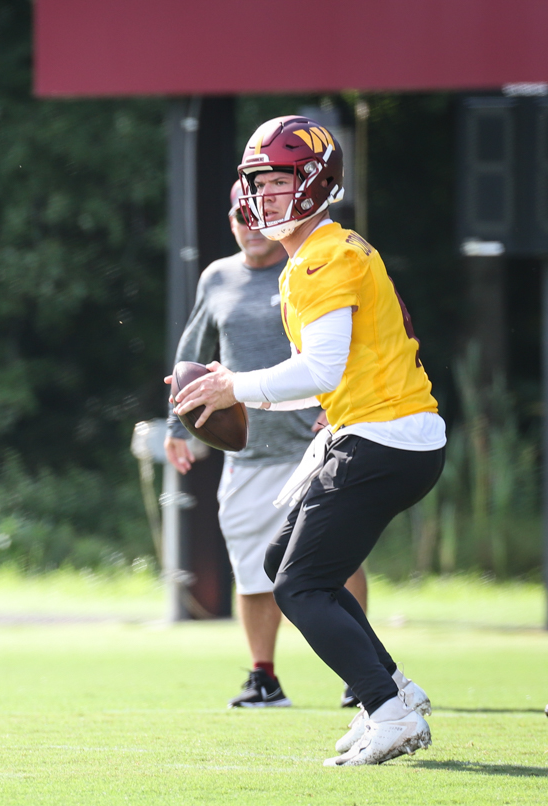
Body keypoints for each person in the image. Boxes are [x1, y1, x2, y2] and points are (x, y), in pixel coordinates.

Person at [172, 115, 446, 766]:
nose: (264, 195)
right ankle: (395, 691)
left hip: (383, 437)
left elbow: (319, 371)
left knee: (300, 586)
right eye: (258, 183)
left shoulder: (323, 256)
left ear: (318, 183)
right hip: (383, 434)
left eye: (279, 181)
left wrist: (235, 385)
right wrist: (232, 389)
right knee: (281, 563)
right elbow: (323, 378)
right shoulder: (316, 256)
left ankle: (388, 710)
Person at [164, 181, 368, 710]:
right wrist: (176, 425)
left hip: (314, 444)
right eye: (241, 215)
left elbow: (347, 346)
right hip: (248, 453)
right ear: (231, 220)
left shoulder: (309, 265)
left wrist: (340, 401)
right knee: (251, 568)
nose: (250, 225)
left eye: (258, 215)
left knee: (341, 559)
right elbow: (191, 352)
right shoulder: (217, 277)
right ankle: (264, 679)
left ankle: (361, 674)